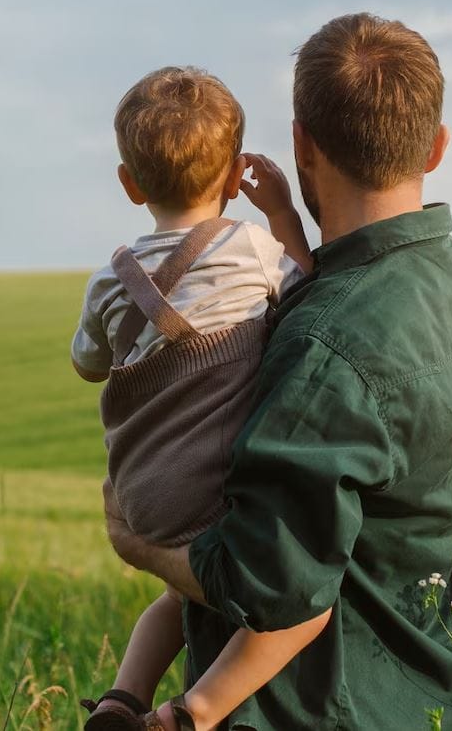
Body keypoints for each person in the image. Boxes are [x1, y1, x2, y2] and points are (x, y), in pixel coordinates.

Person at [104, 13, 452, 730]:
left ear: (300, 144)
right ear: (435, 148)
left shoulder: (323, 344)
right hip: (418, 694)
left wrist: (143, 547)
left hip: (309, 707)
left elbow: (268, 585)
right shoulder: (449, 279)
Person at [71, 66, 332, 730]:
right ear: (232, 174)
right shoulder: (250, 246)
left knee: (177, 599)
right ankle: (192, 713)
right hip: (214, 489)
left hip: (142, 496)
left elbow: (87, 365)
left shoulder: (110, 279)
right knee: (305, 603)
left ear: (130, 185)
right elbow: (310, 290)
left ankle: (120, 700)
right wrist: (280, 212)